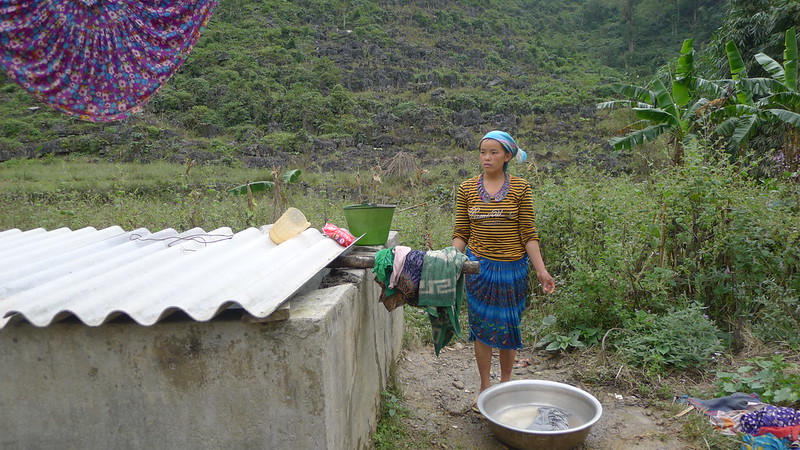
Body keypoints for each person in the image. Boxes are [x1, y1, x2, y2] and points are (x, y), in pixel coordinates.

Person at [452, 130, 556, 401]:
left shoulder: (520, 188)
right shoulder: (466, 188)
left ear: (507, 156)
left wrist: (541, 270)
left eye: (493, 152)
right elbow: (462, 232)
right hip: (479, 269)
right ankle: (486, 387)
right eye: (483, 152)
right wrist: (451, 261)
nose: (486, 157)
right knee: (482, 329)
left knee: (509, 327)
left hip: (513, 270)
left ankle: (506, 385)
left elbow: (528, 233)